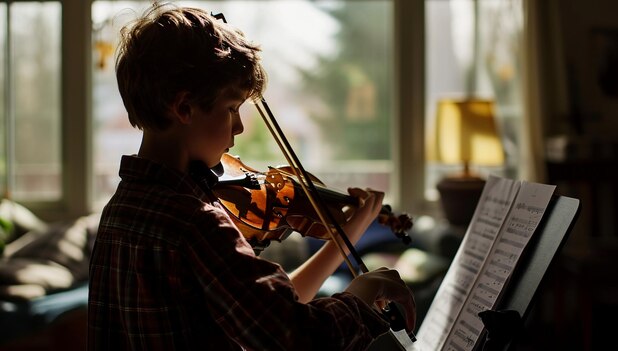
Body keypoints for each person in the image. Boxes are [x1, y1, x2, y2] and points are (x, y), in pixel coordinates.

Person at [88, 4, 416, 350]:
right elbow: (297, 338)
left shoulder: (120, 210)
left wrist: (346, 235)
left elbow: (268, 312)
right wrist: (361, 297)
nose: (240, 126)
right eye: (232, 108)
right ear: (184, 107)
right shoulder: (195, 223)